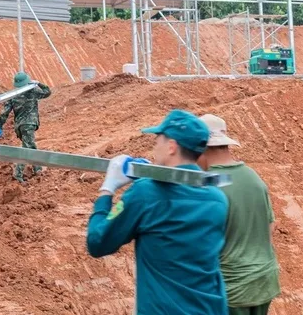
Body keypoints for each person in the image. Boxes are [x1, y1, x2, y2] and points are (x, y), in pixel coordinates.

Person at [86, 109, 229, 314]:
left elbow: (97, 242)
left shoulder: (146, 194)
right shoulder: (217, 199)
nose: (155, 146)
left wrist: (107, 189)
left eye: (157, 140)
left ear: (171, 146)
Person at [197, 114, 280, 315]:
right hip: (263, 282)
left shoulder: (207, 185)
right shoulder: (253, 177)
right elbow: (270, 228)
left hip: (231, 291)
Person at [0, 72, 52, 182]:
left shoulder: (12, 95)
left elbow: (4, 113)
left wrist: (0, 126)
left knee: (30, 147)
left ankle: (38, 169)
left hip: (20, 127)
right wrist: (38, 84)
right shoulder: (32, 91)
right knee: (27, 149)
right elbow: (47, 92)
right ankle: (18, 173)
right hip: (29, 124)